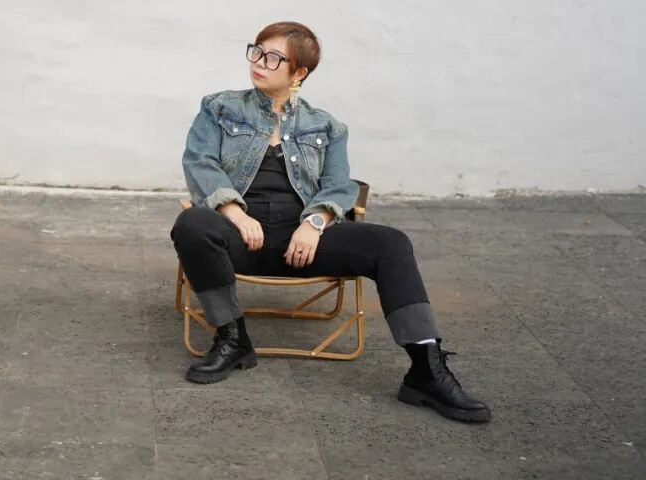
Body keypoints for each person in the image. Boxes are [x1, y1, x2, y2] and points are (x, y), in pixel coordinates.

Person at [171, 21, 490, 422]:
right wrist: (234, 213)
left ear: (299, 72)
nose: (260, 62)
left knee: (391, 243)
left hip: (303, 243)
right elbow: (199, 163)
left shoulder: (326, 126)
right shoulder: (219, 108)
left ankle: (426, 369)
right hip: (238, 239)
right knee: (191, 225)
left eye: (274, 57)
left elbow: (340, 185)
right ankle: (232, 338)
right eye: (257, 51)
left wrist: (316, 223)